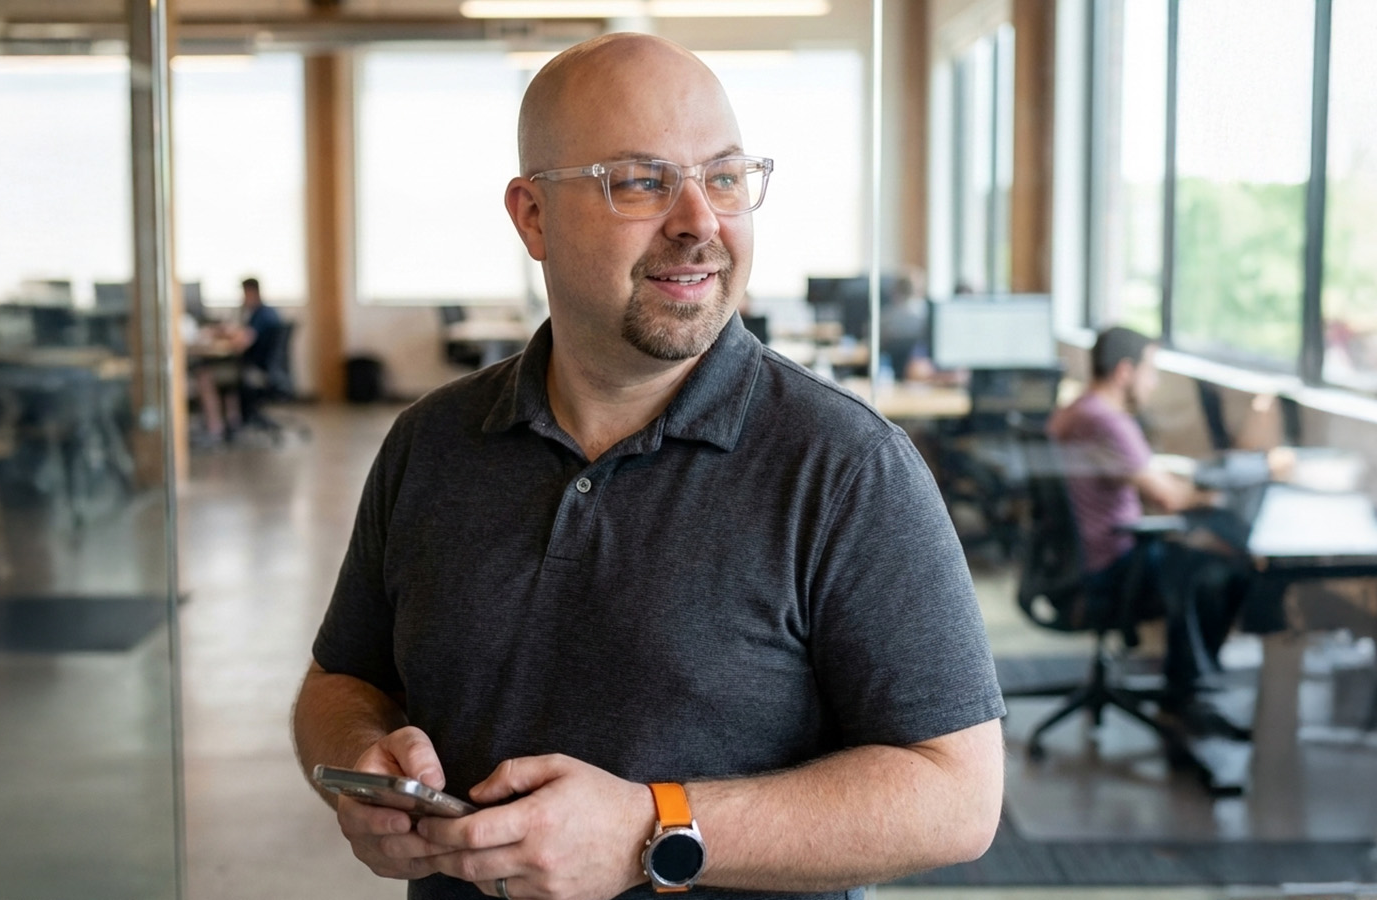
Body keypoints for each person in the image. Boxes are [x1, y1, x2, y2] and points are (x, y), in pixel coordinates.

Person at [292, 33, 1005, 900]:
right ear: (532, 217)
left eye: (727, 178)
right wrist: (358, 758)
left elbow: (957, 795)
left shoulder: (847, 468)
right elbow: (340, 681)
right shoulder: (432, 443)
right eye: (641, 180)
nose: (700, 222)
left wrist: (653, 826)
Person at [1046, 326, 1250, 736]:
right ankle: (1188, 694)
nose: (1153, 383)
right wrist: (1220, 494)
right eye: (1150, 371)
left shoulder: (1074, 410)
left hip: (1074, 561)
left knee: (1196, 558)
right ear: (1125, 371)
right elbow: (1169, 498)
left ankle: (1185, 686)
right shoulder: (1109, 421)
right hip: (1113, 565)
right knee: (1221, 570)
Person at [188, 277, 283, 442]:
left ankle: (214, 428)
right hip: (259, 368)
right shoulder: (264, 312)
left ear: (251, 292)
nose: (242, 298)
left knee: (204, 374)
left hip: (256, 371)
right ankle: (233, 421)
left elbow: (242, 342)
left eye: (243, 293)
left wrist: (223, 333)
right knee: (225, 374)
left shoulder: (263, 315)